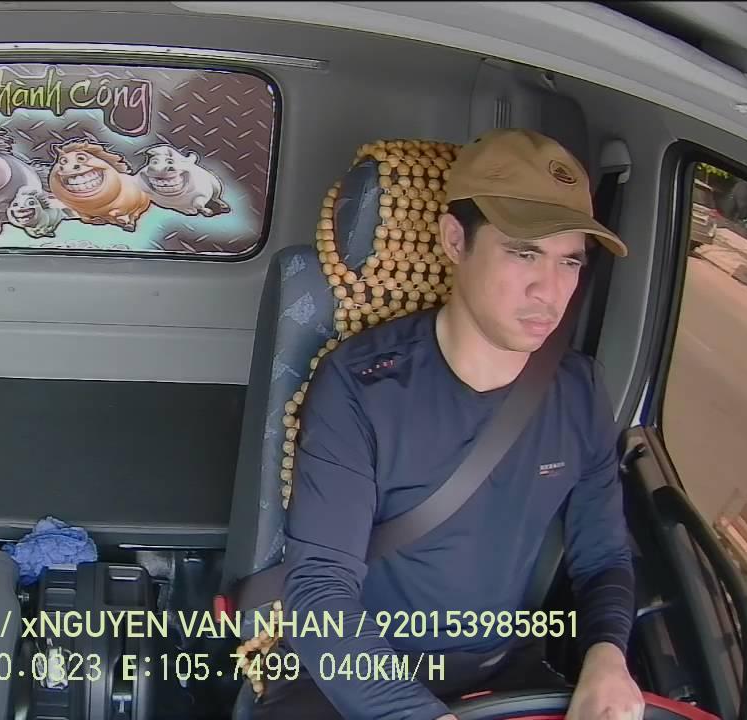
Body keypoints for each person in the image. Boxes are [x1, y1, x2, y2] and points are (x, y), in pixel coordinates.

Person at [253, 129, 644, 720]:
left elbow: (603, 555)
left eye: (569, 261)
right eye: (524, 253)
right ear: (455, 240)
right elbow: (321, 593)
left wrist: (607, 656)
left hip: (501, 670)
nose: (550, 290)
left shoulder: (579, 390)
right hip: (351, 675)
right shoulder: (361, 386)